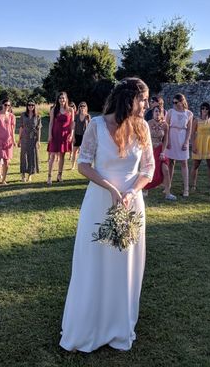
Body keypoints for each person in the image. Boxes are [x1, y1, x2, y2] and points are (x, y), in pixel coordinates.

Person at [60, 77, 154, 353]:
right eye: (144, 99)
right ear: (130, 100)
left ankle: (118, 327)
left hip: (131, 205)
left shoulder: (143, 128)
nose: (147, 105)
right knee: (94, 264)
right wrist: (112, 188)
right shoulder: (97, 125)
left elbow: (148, 169)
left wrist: (132, 191)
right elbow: (83, 165)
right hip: (100, 202)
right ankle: (87, 327)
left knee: (125, 266)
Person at [160, 93, 193, 200]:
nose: (174, 104)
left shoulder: (189, 114)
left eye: (175, 102)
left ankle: (186, 189)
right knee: (170, 162)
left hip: (182, 138)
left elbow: (189, 129)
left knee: (184, 162)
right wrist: (167, 140)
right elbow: (166, 126)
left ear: (181, 102)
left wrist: (186, 142)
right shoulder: (170, 112)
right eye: (173, 102)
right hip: (172, 136)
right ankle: (168, 186)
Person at [191, 102, 210, 190]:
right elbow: (192, 134)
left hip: (209, 143)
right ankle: (193, 185)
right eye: (203, 108)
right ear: (200, 109)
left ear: (209, 110)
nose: (204, 110)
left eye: (206, 109)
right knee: (196, 164)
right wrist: (193, 145)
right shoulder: (196, 120)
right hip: (199, 143)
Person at [47, 91, 74, 185]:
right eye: (60, 98)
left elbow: (72, 123)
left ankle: (59, 175)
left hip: (65, 136)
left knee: (62, 156)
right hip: (55, 135)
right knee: (53, 156)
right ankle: (49, 176)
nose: (61, 100)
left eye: (63, 98)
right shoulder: (54, 109)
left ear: (66, 99)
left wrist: (71, 134)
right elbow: (50, 123)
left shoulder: (71, 110)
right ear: (57, 100)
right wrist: (50, 135)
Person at [143, 105, 168, 194]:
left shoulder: (165, 125)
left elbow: (165, 140)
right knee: (148, 168)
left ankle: (167, 192)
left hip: (160, 148)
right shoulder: (148, 123)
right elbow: (145, 138)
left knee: (165, 169)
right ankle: (146, 189)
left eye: (159, 112)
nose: (157, 113)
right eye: (156, 111)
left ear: (162, 114)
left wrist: (163, 152)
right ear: (153, 113)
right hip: (150, 148)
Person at [18, 100, 42, 182]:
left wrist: (38, 141)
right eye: (29, 105)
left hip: (33, 138)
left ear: (34, 106)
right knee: (23, 156)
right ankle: (23, 174)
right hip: (24, 137)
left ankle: (30, 174)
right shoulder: (23, 115)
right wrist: (19, 139)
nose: (30, 106)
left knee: (32, 156)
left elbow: (39, 129)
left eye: (32, 105)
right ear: (27, 106)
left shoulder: (37, 116)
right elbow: (21, 127)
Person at [0, 99, 16, 186]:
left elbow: (13, 130)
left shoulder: (12, 116)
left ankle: (3, 180)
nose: (7, 106)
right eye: (5, 105)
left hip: (8, 141)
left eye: (8, 105)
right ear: (2, 105)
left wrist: (14, 141)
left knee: (7, 162)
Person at [70, 102, 91, 169]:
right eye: (81, 106)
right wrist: (73, 137)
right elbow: (73, 127)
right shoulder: (76, 116)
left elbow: (90, 128)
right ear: (79, 108)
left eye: (83, 106)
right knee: (74, 152)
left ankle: (83, 166)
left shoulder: (88, 116)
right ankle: (73, 166)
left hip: (84, 137)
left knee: (83, 152)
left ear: (86, 107)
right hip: (77, 135)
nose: (82, 108)